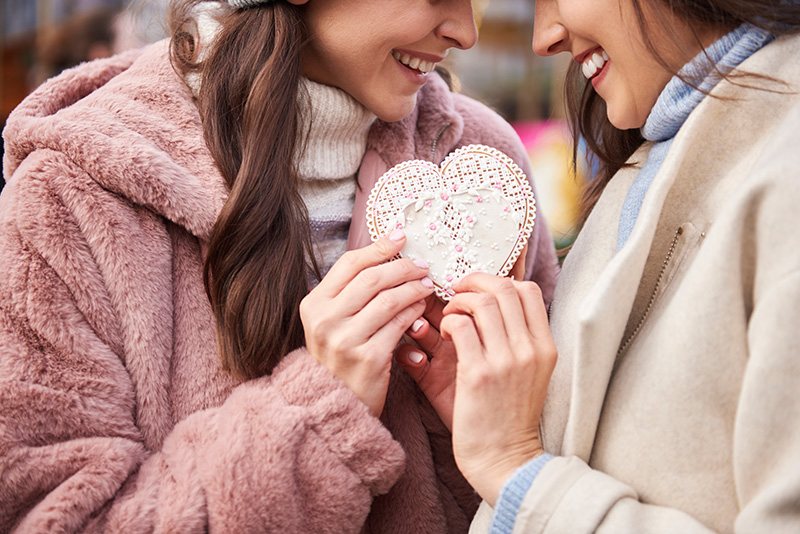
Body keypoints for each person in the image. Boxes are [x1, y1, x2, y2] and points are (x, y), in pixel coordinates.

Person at [0, 0, 560, 532]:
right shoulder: (69, 198)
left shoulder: (483, 178)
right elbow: (53, 515)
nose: (466, 32)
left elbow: (551, 457)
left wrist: (486, 432)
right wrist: (319, 412)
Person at [393, 0, 800, 532]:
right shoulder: (645, 163)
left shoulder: (782, 180)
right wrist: (511, 423)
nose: (545, 38)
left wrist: (515, 468)